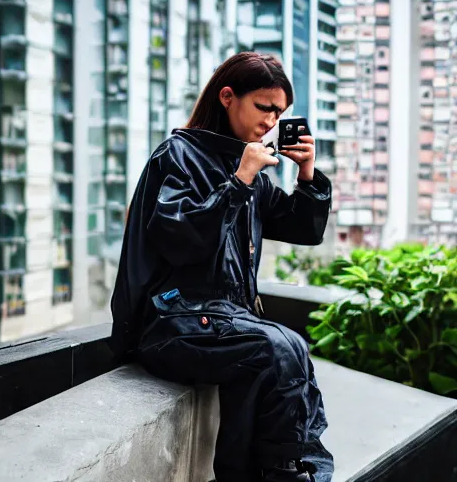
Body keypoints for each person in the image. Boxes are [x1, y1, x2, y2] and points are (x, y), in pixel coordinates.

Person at [109, 52, 334, 482]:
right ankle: (285, 474)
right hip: (170, 325)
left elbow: (300, 227)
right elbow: (180, 240)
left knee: (291, 349)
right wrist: (238, 182)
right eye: (264, 107)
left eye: (280, 113)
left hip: (223, 325)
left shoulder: (247, 167)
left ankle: (293, 471)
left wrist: (307, 175)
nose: (271, 121)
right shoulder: (178, 154)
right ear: (228, 97)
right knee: (276, 348)